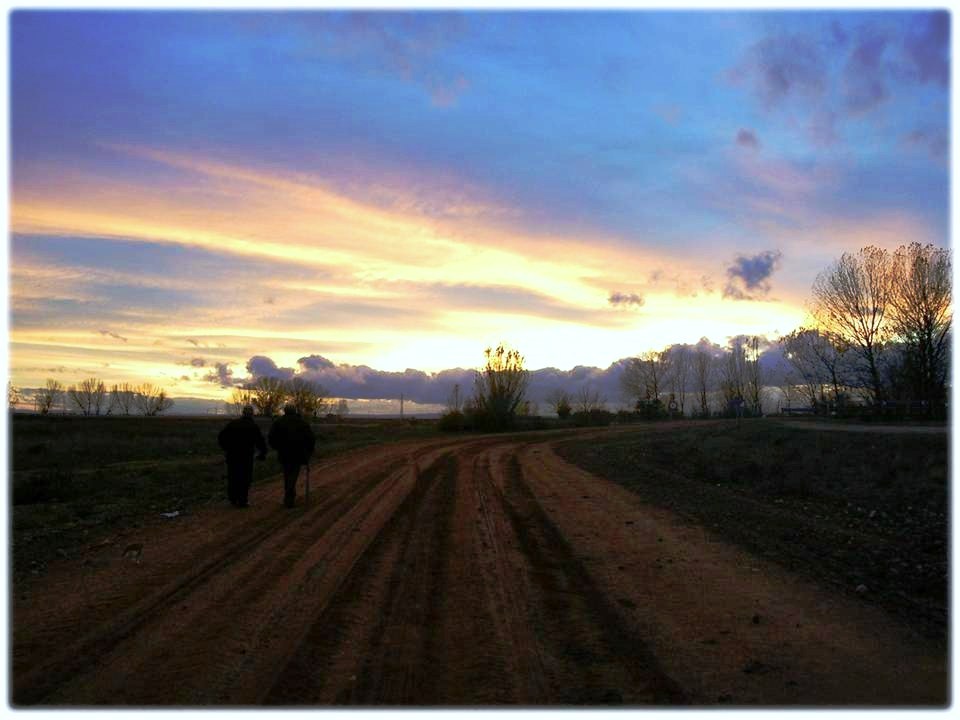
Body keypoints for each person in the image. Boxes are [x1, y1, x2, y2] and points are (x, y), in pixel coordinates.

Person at [217, 405, 267, 508]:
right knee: (245, 478)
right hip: (246, 457)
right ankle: (242, 500)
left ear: (243, 413)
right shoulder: (253, 426)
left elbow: (221, 437)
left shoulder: (233, 424)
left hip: (232, 456)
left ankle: (233, 499)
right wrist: (262, 453)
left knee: (233, 477)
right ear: (251, 414)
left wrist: (227, 448)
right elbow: (260, 442)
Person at [268, 404, 316, 508]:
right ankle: (289, 496)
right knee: (293, 475)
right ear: (295, 411)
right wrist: (309, 452)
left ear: (285, 411)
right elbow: (311, 439)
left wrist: (277, 447)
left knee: (287, 474)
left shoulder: (278, 422)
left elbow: (271, 438)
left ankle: (289, 495)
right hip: (297, 454)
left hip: (284, 453)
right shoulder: (302, 423)